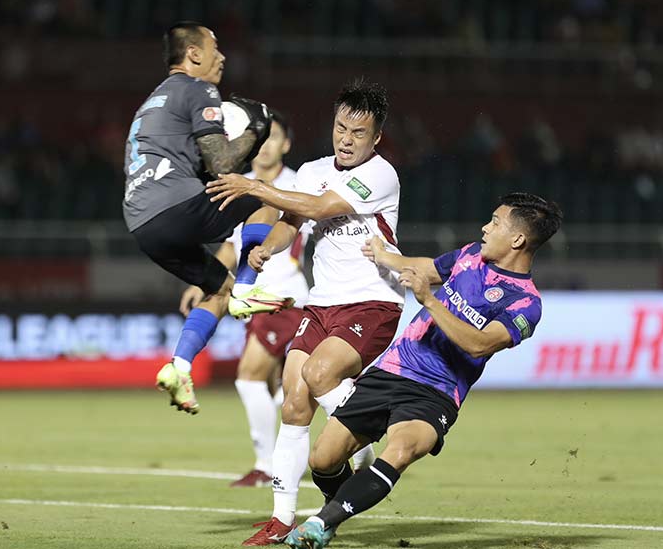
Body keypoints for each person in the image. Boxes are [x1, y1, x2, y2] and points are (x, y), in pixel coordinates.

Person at [281, 193, 563, 549]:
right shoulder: (469, 256)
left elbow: (477, 344)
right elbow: (428, 269)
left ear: (518, 239)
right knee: (322, 458)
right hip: (392, 370)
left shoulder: (525, 303)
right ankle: (335, 511)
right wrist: (385, 257)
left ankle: (322, 524)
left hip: (437, 393)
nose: (485, 228)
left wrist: (429, 299)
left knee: (399, 452)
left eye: (494, 222)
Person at [206, 78, 404, 546]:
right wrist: (268, 250)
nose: (347, 139)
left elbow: (319, 206)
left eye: (359, 133)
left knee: (317, 375)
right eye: (341, 128)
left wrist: (254, 186)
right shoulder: (314, 168)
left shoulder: (381, 174)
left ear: (376, 138)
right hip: (321, 305)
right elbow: (293, 221)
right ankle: (281, 518)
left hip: (372, 302)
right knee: (294, 401)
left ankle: (370, 424)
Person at [122, 21, 292, 415]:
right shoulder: (198, 89)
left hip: (142, 223)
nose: (222, 57)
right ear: (194, 54)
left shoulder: (151, 103)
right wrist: (257, 128)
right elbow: (222, 162)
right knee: (260, 193)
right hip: (173, 205)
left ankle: (179, 367)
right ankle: (249, 289)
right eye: (215, 48)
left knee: (218, 290)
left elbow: (197, 164)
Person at [182, 110, 310, 487]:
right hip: (250, 295)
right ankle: (341, 449)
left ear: (286, 144)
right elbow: (230, 245)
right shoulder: (240, 185)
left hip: (284, 293)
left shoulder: (299, 183)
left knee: (249, 377)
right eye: (261, 138)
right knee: (285, 386)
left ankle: (266, 465)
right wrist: (200, 282)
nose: (266, 146)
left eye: (274, 138)